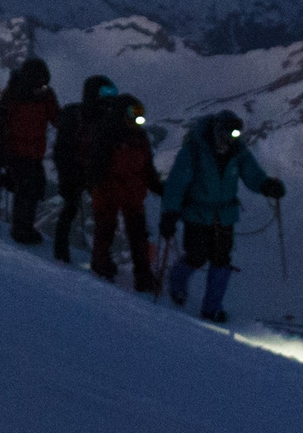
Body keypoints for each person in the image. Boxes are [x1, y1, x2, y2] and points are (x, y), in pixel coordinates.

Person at [159, 111, 287, 323]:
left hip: (224, 215)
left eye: (235, 134)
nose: (231, 138)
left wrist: (266, 185)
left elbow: (252, 175)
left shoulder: (238, 151)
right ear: (217, 130)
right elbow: (176, 183)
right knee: (196, 256)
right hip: (197, 213)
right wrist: (170, 212)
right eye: (228, 133)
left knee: (221, 259)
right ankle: (177, 284)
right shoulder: (194, 150)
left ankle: (212, 308)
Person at [85, 92, 164, 291]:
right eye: (133, 113)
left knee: (138, 236)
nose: (137, 118)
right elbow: (97, 168)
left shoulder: (138, 137)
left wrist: (159, 188)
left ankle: (142, 276)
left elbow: (147, 168)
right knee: (106, 230)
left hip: (131, 193)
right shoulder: (108, 135)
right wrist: (98, 187)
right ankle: (101, 265)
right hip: (110, 192)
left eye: (139, 113)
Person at [0, 57, 59, 243]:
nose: (41, 88)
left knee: (35, 187)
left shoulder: (40, 95)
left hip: (34, 151)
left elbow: (56, 117)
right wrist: (0, 153)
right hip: (16, 151)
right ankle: (20, 229)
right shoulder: (13, 95)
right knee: (26, 188)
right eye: (39, 84)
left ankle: (25, 226)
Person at [50, 74, 119, 264]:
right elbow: (63, 149)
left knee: (72, 210)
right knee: (87, 212)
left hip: (82, 171)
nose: (109, 97)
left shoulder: (79, 115)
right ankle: (97, 257)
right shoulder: (92, 117)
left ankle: (64, 252)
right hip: (80, 171)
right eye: (105, 92)